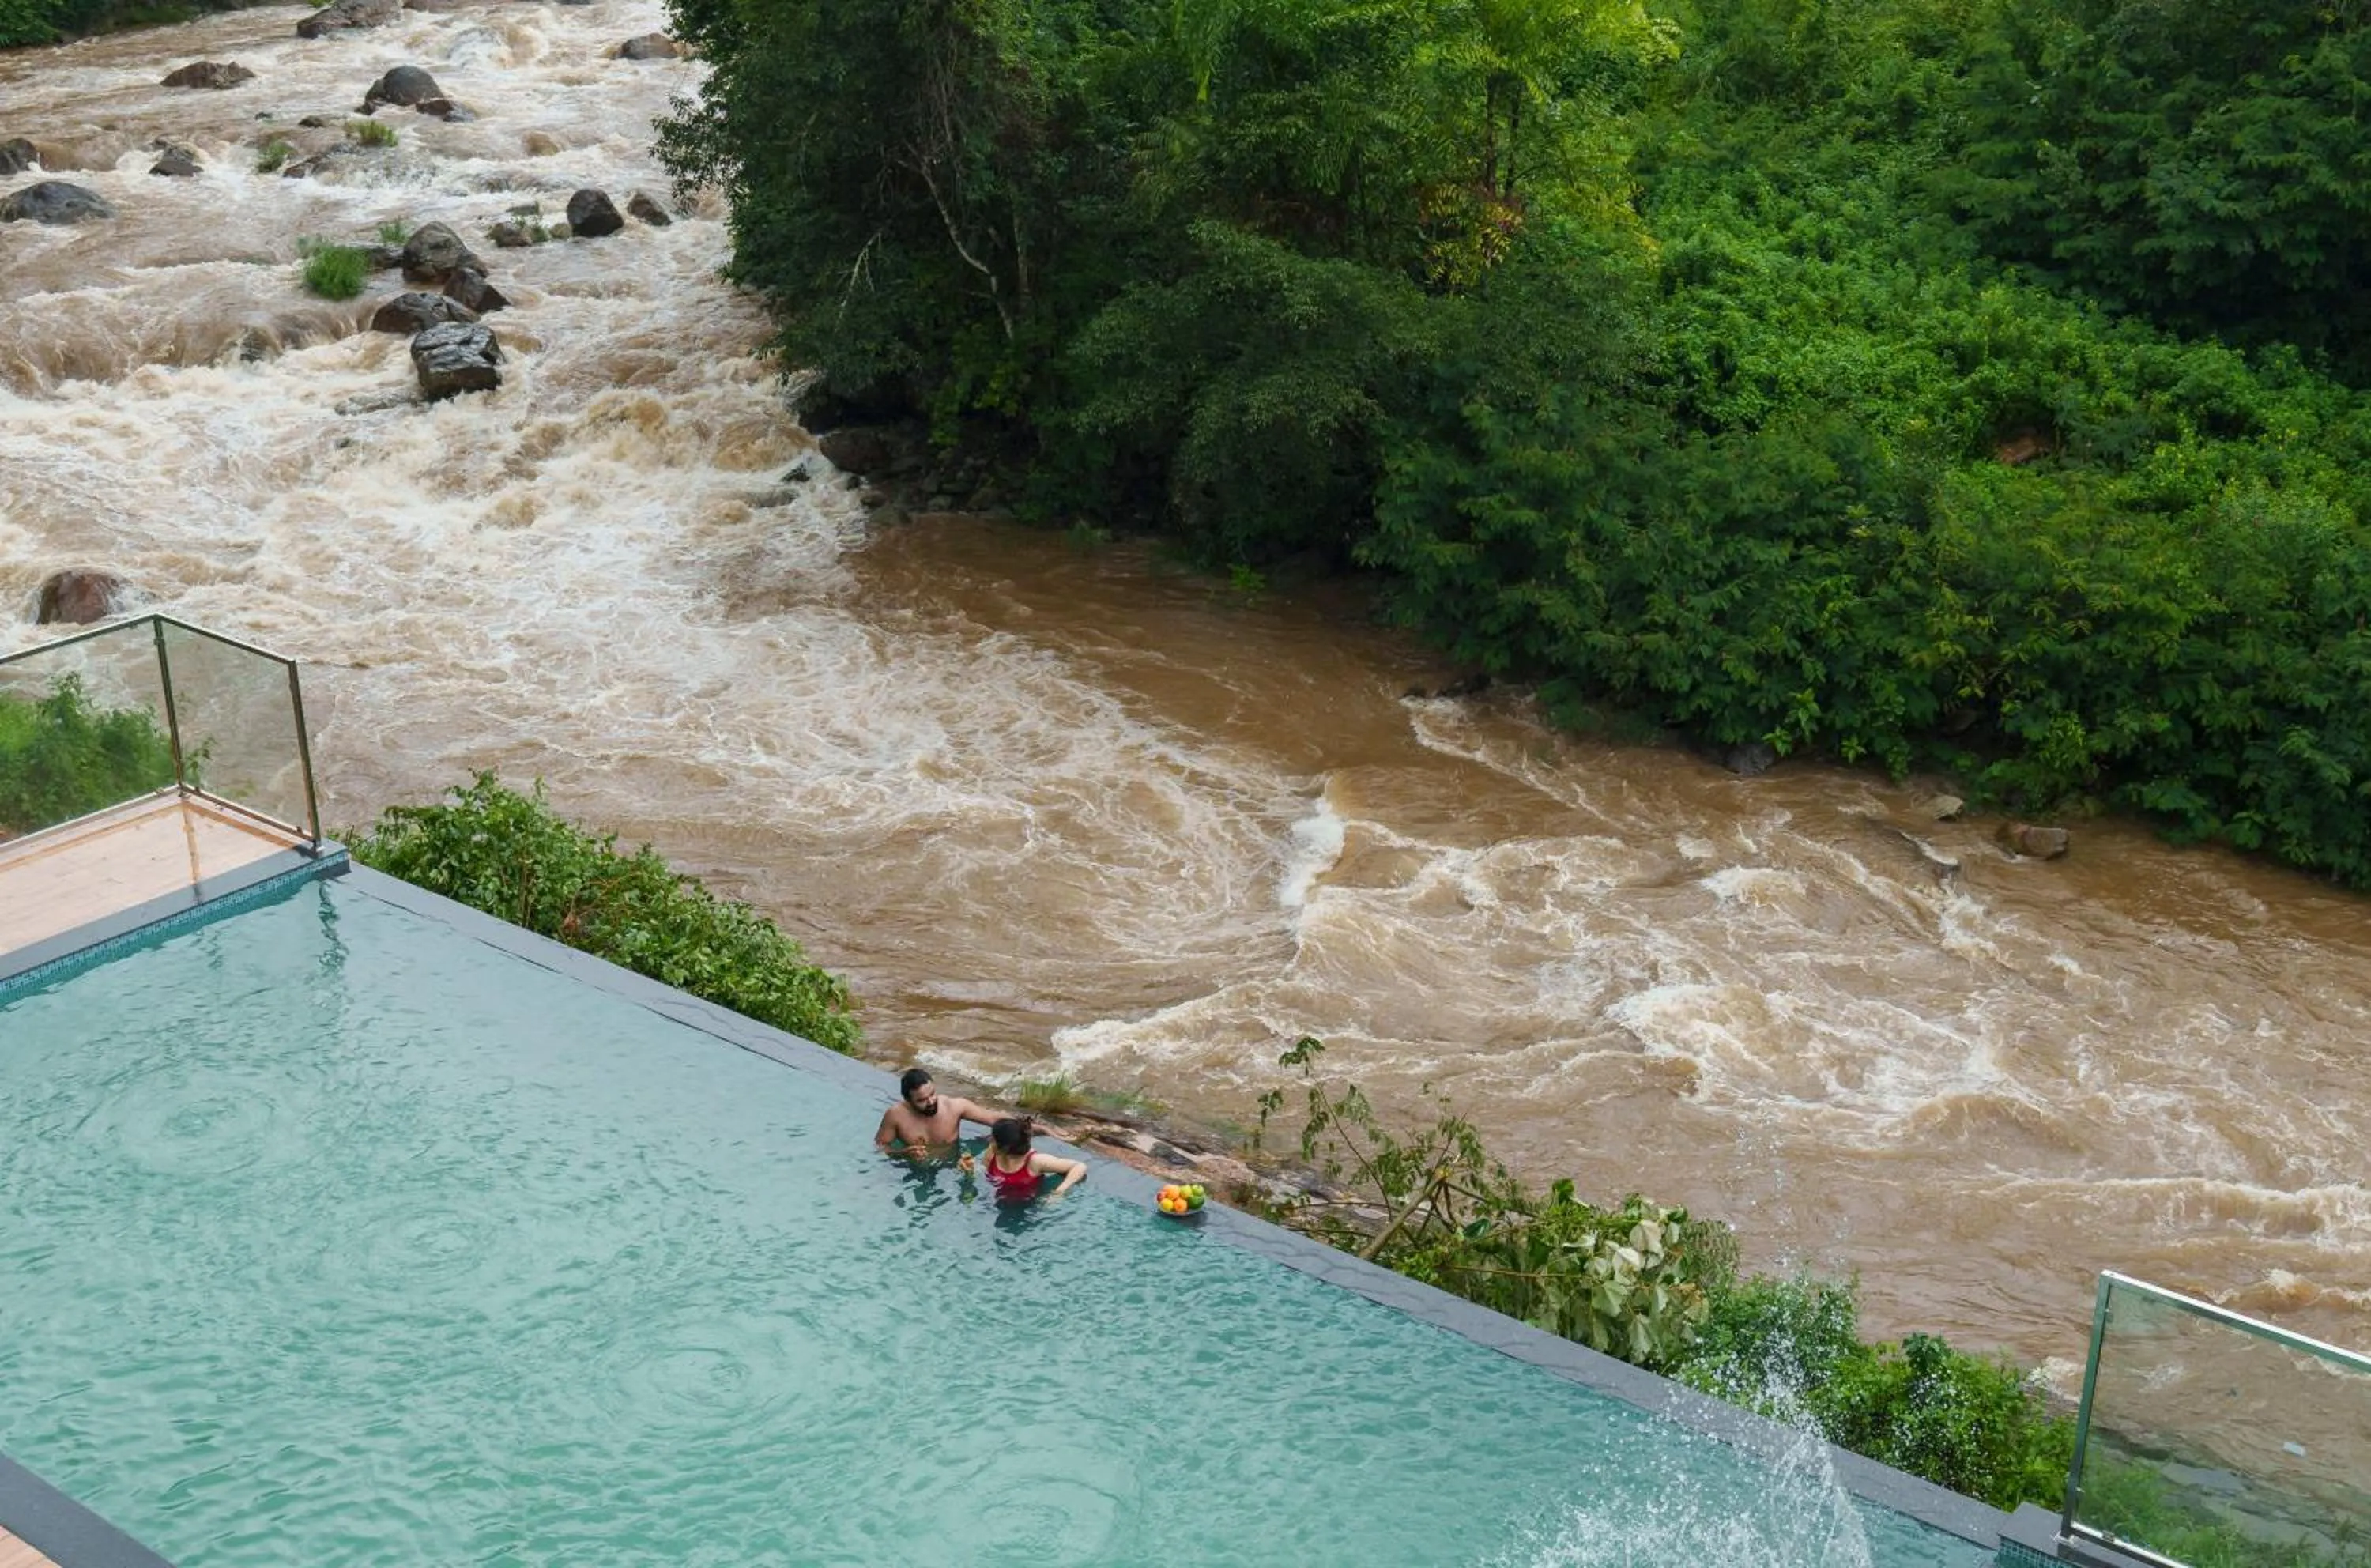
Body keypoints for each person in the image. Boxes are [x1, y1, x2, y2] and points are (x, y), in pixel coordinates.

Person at [873, 1068, 1003, 1155]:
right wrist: (903, 1153)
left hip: (954, 1164)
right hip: (916, 1171)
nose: (931, 1101)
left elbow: (994, 1118)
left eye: (932, 1094)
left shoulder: (954, 1107)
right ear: (908, 1100)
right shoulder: (895, 1116)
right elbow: (880, 1147)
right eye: (922, 1100)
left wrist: (1021, 1124)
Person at [979, 1117, 1086, 1203]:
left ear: (1005, 1147)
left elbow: (1079, 1166)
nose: (989, 1140)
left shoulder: (1035, 1162)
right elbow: (983, 1168)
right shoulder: (993, 1151)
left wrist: (1059, 1193)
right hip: (998, 1200)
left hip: (1029, 1206)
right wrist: (970, 1170)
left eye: (993, 1140)